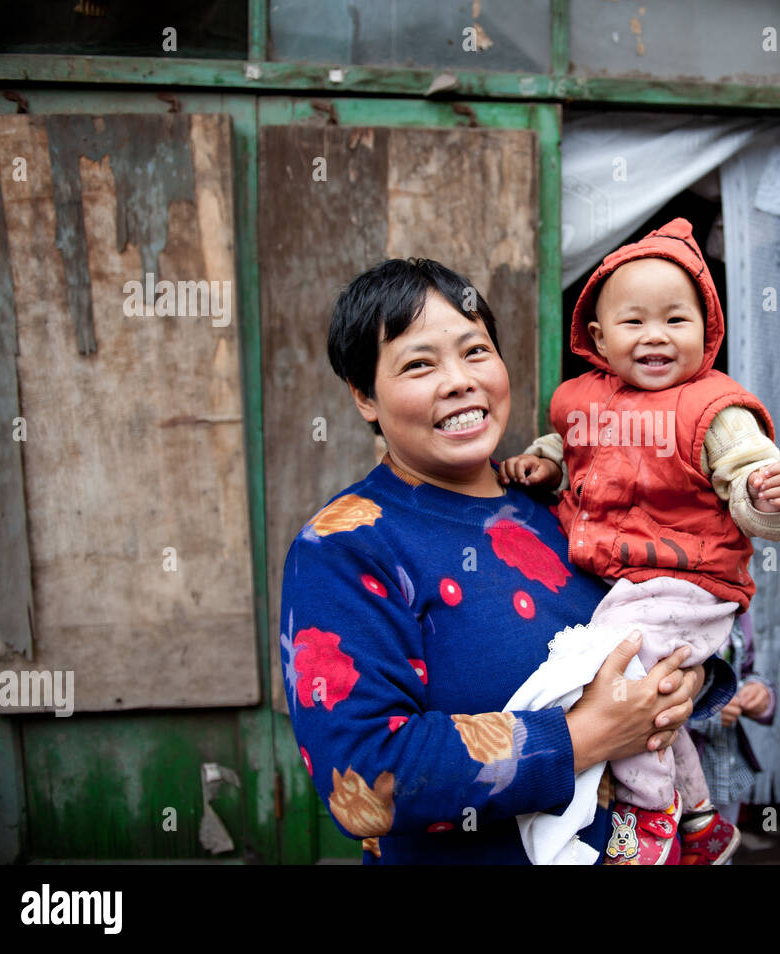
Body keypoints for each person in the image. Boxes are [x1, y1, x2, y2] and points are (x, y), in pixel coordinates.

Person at [280, 258, 734, 864]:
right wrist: (583, 736)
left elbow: (659, 610)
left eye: (475, 352)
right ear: (365, 395)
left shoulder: (559, 501)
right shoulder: (345, 547)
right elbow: (366, 782)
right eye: (419, 364)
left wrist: (687, 683)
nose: (460, 381)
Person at [499, 218, 780, 865]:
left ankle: (646, 815)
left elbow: (757, 476)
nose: (656, 336)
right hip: (635, 579)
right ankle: (701, 819)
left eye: (676, 320)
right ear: (597, 338)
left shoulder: (713, 412)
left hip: (689, 579)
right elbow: (573, 450)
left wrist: (767, 496)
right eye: (634, 322)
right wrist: (543, 464)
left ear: (708, 332)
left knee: (614, 672)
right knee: (660, 694)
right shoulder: (585, 402)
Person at [685, 611, 777, 864]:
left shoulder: (737, 606)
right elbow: (643, 697)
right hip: (678, 774)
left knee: (719, 851)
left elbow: (745, 669)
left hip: (724, 766)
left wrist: (759, 693)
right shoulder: (665, 604)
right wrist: (706, 711)